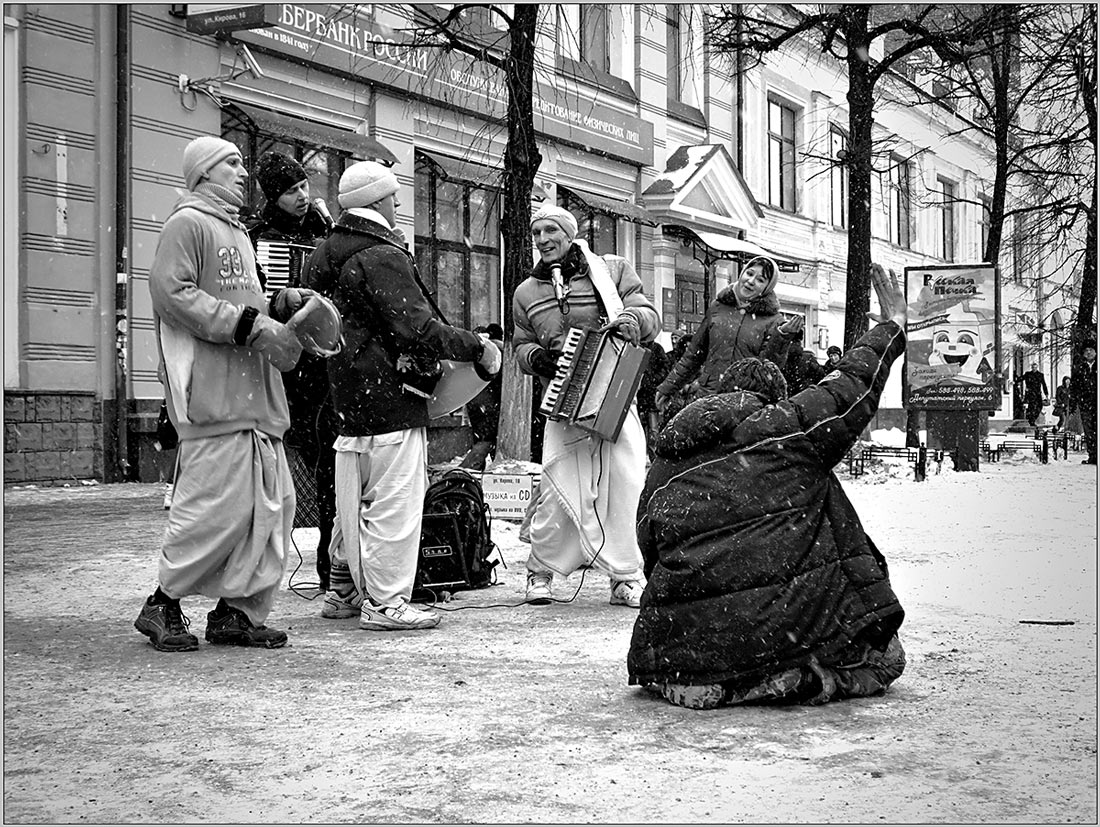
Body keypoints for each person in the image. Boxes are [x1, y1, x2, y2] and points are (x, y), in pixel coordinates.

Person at [629, 264, 909, 709]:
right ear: (773, 398)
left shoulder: (666, 460)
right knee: (887, 658)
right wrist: (891, 328)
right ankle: (789, 674)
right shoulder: (786, 428)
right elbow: (851, 385)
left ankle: (712, 674)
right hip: (778, 630)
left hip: (675, 650)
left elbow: (648, 547)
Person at [303, 160, 502, 631]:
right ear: (376, 201)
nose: (397, 205)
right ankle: (387, 601)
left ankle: (343, 588)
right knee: (395, 502)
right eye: (393, 197)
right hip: (391, 394)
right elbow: (417, 328)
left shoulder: (323, 253)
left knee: (353, 499)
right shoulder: (381, 255)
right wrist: (479, 346)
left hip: (344, 395)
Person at [135, 135, 307, 652]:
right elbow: (173, 293)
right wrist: (251, 326)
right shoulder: (188, 223)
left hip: (254, 395)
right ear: (204, 172)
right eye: (231, 163)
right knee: (214, 508)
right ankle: (163, 603)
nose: (242, 172)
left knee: (272, 507)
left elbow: (238, 299)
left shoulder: (233, 229)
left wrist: (281, 304)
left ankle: (237, 612)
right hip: (214, 395)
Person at [513, 204, 660, 608]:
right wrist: (536, 359)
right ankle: (539, 572)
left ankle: (624, 576)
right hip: (563, 399)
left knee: (625, 484)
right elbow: (520, 344)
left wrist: (631, 320)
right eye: (536, 233)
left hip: (613, 392)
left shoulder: (611, 270)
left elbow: (648, 314)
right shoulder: (526, 292)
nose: (542, 240)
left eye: (550, 231)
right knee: (559, 488)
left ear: (569, 232)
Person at [248, 151, 337, 590]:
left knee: (329, 463)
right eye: (290, 191)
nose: (302, 197)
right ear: (271, 196)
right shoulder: (259, 238)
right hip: (285, 368)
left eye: (305, 186)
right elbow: (252, 299)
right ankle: (262, 565)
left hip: (323, 366)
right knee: (277, 464)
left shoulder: (327, 231)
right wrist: (278, 299)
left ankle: (329, 559)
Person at [654, 256, 799, 417]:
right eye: (749, 273)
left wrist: (781, 338)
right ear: (742, 273)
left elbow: (767, 370)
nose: (751, 281)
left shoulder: (773, 320)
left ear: (767, 288)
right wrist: (668, 387)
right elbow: (693, 355)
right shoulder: (718, 307)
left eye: (760, 280)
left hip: (743, 405)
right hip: (707, 396)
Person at [460, 323, 505, 471]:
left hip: (475, 399)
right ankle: (469, 470)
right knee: (487, 440)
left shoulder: (478, 350)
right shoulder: (500, 351)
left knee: (481, 439)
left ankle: (474, 470)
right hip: (490, 402)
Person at [636, 339, 672, 457]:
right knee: (639, 430)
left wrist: (651, 380)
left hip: (650, 396)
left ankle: (654, 457)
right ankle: (642, 456)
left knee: (653, 430)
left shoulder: (657, 349)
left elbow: (664, 369)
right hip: (639, 396)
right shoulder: (635, 346)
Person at [782, 323, 827, 396]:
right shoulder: (808, 358)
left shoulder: (782, 359)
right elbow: (821, 377)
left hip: (789, 397)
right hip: (806, 396)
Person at [1073, 342, 1097, 464]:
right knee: (1089, 431)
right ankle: (1092, 455)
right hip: (1086, 405)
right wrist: (1075, 402)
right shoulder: (1080, 369)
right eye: (1086, 350)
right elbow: (1075, 387)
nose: (1088, 352)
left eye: (1091, 350)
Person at [1021, 363, 1049, 427]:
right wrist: (1015, 381)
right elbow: (1021, 378)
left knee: (1039, 407)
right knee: (1032, 407)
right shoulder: (1028, 374)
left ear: (1037, 368)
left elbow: (1044, 384)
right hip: (1030, 394)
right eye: (1033, 367)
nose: (1034, 369)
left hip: (1038, 393)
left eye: (1035, 367)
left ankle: (1032, 419)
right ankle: (1031, 420)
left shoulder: (1040, 375)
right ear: (1032, 368)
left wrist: (1046, 394)